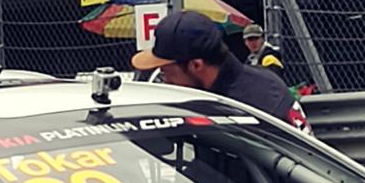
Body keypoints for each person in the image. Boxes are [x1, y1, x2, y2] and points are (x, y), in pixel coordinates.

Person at [131, 11, 310, 133]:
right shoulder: (249, 84)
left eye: (166, 72)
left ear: (196, 65)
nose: (166, 82)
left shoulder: (244, 111)